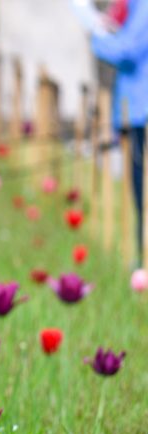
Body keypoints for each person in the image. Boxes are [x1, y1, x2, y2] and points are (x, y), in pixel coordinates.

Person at [74, 0, 148, 268]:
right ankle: (143, 259)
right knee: (139, 194)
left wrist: (97, 33)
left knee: (145, 194)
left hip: (142, 112)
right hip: (134, 111)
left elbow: (127, 50)